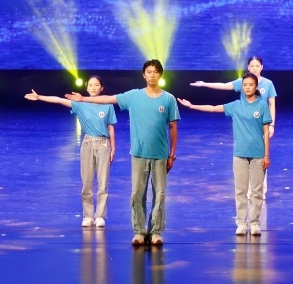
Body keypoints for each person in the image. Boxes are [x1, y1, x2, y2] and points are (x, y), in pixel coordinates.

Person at [68, 58, 178, 247]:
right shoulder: (134, 96)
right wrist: (83, 99)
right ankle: (139, 231)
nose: (152, 75)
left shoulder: (168, 99)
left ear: (160, 74)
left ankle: (156, 231)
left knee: (160, 194)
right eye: (149, 72)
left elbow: (173, 127)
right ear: (144, 75)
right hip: (139, 154)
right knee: (137, 194)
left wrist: (172, 154)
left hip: (160, 154)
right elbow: (109, 99)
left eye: (155, 71)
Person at [182, 71, 276, 235]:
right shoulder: (235, 106)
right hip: (239, 154)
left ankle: (254, 223)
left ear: (256, 87)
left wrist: (267, 155)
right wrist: (192, 106)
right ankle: (241, 223)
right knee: (240, 190)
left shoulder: (262, 106)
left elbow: (266, 132)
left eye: (251, 85)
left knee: (257, 191)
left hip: (258, 154)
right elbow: (213, 108)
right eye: (245, 85)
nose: (247, 87)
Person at [26, 75, 117, 226]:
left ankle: (100, 216)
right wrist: (39, 97)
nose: (93, 87)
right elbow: (58, 100)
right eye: (90, 85)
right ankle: (88, 216)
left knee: (103, 182)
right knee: (86, 181)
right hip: (88, 143)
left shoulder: (108, 106)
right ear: (87, 88)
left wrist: (113, 148)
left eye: (96, 85)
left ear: (102, 88)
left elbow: (111, 129)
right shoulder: (80, 104)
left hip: (103, 144)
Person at [191, 55, 278, 137]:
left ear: (261, 67)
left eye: (257, 66)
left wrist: (271, 125)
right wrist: (204, 84)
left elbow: (271, 105)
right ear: (248, 67)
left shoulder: (268, 83)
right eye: (252, 66)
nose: (255, 68)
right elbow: (224, 85)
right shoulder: (242, 81)